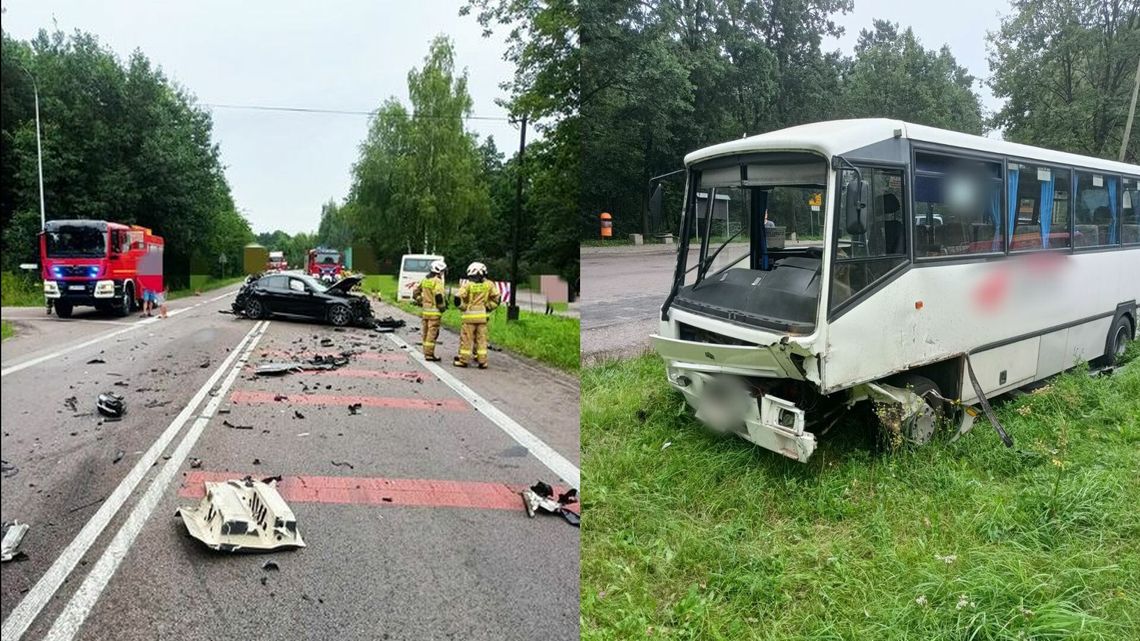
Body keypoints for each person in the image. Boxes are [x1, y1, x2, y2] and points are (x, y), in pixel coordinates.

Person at [454, 262, 501, 369]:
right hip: (482, 318)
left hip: (469, 318)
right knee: (482, 340)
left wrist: (463, 307)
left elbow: (457, 298)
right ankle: (482, 362)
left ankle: (463, 360)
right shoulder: (489, 285)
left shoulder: (468, 285)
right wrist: (489, 307)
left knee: (466, 339)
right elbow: (497, 298)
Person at [411, 260, 447, 361]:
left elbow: (415, 292)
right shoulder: (437, 281)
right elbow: (438, 295)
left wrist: (420, 301)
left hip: (425, 312)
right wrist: (442, 307)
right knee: (433, 333)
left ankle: (426, 352)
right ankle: (429, 354)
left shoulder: (425, 280)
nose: (443, 273)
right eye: (442, 271)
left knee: (426, 332)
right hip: (434, 312)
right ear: (438, 270)